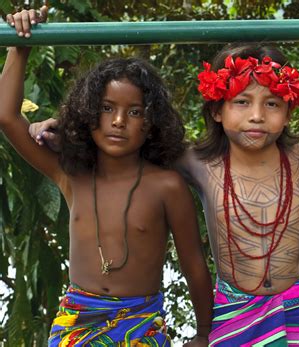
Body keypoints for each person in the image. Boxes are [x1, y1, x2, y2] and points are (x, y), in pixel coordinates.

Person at [30, 42, 299, 346]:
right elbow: (129, 146)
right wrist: (70, 133)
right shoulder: (196, 163)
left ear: (289, 110)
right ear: (218, 110)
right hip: (233, 307)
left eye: (272, 103)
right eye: (242, 102)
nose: (257, 115)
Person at [1, 7, 213, 346]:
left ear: (151, 122)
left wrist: (204, 333)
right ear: (88, 113)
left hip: (141, 324)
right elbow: (8, 117)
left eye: (134, 112)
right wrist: (19, 46)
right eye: (106, 108)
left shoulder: (166, 186)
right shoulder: (71, 174)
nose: (118, 121)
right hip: (77, 321)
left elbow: (194, 265)